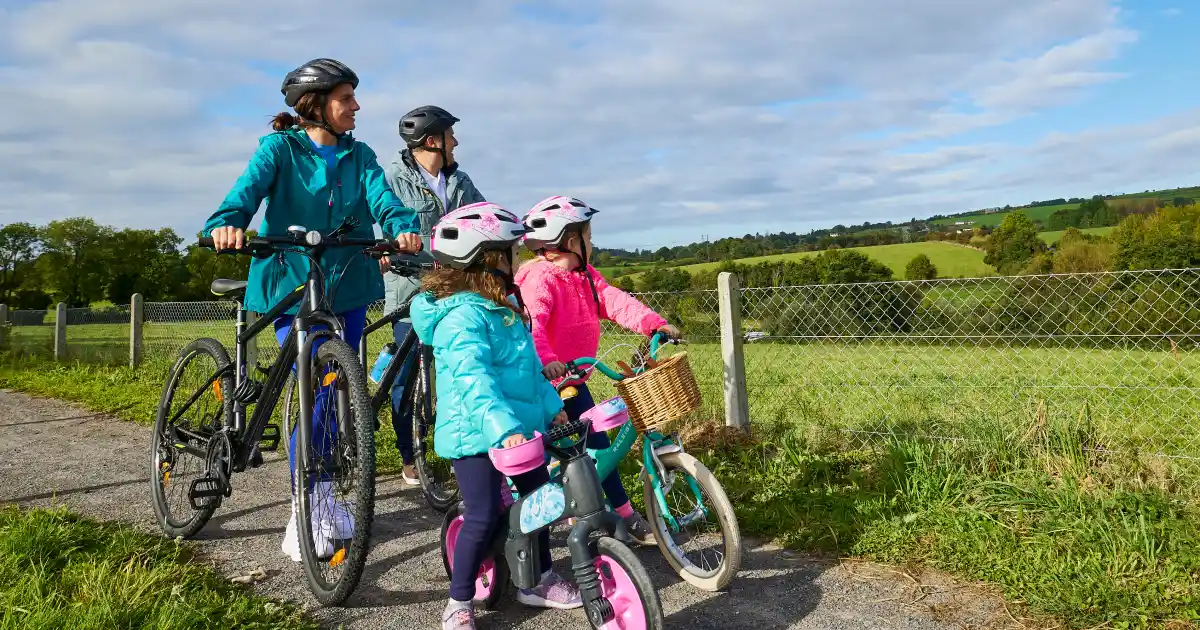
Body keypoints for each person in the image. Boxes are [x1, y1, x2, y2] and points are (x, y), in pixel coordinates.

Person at [203, 58, 421, 562]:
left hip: (346, 282)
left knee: (338, 383)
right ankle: (307, 502)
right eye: (346, 98)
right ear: (316, 105)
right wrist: (227, 223)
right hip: (290, 279)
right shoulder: (279, 149)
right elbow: (244, 194)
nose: (356, 106)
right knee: (319, 383)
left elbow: (384, 201)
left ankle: (322, 492)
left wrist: (403, 227)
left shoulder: (360, 155)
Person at [411, 202, 582, 629]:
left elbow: (530, 372)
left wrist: (553, 409)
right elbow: (475, 382)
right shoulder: (460, 319)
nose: (518, 262)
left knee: (541, 503)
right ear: (487, 260)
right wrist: (503, 430)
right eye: (512, 254)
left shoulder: (504, 310)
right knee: (483, 514)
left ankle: (538, 580)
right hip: (475, 436)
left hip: (519, 434)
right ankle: (459, 601)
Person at [514, 196, 680, 546]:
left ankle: (618, 513)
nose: (592, 243)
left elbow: (615, 301)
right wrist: (548, 360)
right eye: (588, 236)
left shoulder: (585, 277)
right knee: (556, 456)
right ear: (571, 240)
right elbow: (533, 326)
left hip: (574, 380)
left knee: (598, 448)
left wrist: (653, 324)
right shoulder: (539, 279)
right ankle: (564, 511)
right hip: (544, 384)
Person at [381, 105, 485, 484]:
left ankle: (462, 451)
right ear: (431, 141)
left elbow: (484, 216)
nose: (455, 142)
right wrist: (384, 249)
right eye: (450, 136)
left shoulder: (460, 182)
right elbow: (376, 216)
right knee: (406, 378)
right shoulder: (393, 178)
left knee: (461, 370)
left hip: (454, 294)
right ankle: (409, 454)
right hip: (410, 292)